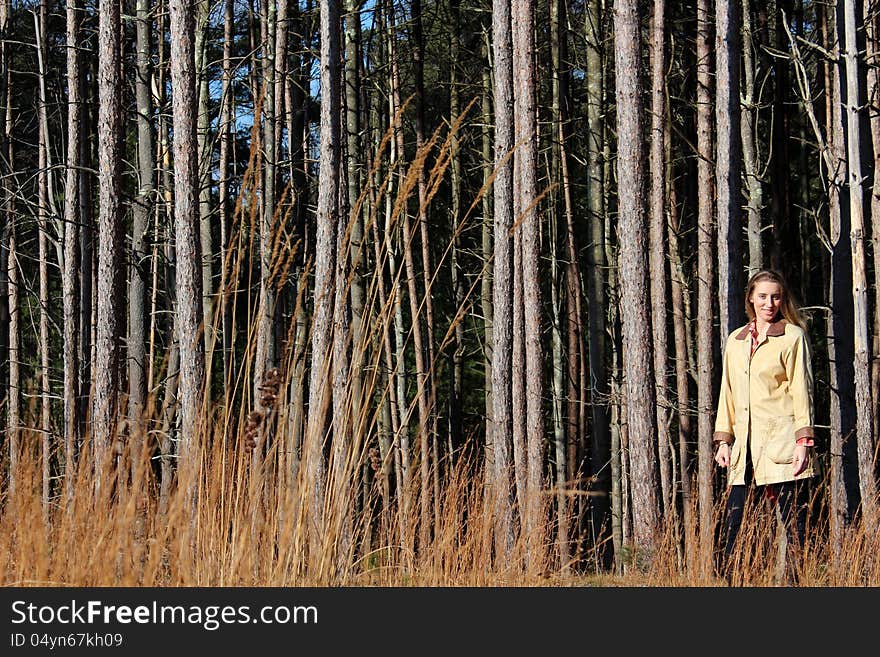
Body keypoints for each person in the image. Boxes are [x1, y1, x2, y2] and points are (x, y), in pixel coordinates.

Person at [713, 269, 815, 584]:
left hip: (782, 446)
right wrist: (723, 440)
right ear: (751, 299)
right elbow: (727, 392)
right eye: (762, 296)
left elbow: (802, 390)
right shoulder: (736, 340)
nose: (769, 303)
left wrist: (803, 442)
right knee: (734, 528)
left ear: (782, 300)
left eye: (775, 297)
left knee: (793, 528)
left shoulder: (793, 337)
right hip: (743, 451)